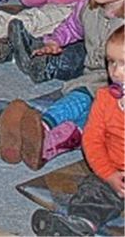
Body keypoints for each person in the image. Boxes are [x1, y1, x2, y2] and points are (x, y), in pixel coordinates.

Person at [28, 26, 124, 236]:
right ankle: (78, 225)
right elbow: (92, 139)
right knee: (91, 192)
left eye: (124, 64)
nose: (115, 72)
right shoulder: (105, 99)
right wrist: (108, 173)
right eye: (111, 62)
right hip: (114, 171)